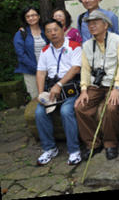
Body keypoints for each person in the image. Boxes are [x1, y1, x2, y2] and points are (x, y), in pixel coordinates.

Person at [74, 10, 119, 161]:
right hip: (95, 85)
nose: (91, 26)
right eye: (89, 23)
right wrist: (83, 90)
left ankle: (110, 143)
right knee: (80, 107)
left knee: (110, 107)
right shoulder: (87, 45)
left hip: (114, 83)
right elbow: (85, 69)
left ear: (105, 25)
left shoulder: (118, 41)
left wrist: (117, 88)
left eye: (95, 22)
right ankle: (93, 144)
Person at [35, 19, 82, 166]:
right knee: (39, 112)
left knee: (67, 111)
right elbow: (41, 73)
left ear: (63, 29)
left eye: (55, 29)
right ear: (46, 34)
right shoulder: (45, 50)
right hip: (52, 88)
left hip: (70, 86)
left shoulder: (74, 46)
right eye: (49, 31)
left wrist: (60, 84)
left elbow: (76, 68)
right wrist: (41, 93)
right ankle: (50, 148)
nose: (53, 33)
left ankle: (74, 150)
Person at [14, 7, 48, 99]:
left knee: (51, 96)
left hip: (48, 69)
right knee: (37, 98)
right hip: (31, 71)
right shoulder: (21, 33)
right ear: (25, 19)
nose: (31, 18)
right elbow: (21, 55)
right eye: (28, 16)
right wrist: (37, 69)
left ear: (39, 16)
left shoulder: (45, 30)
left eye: (33, 15)